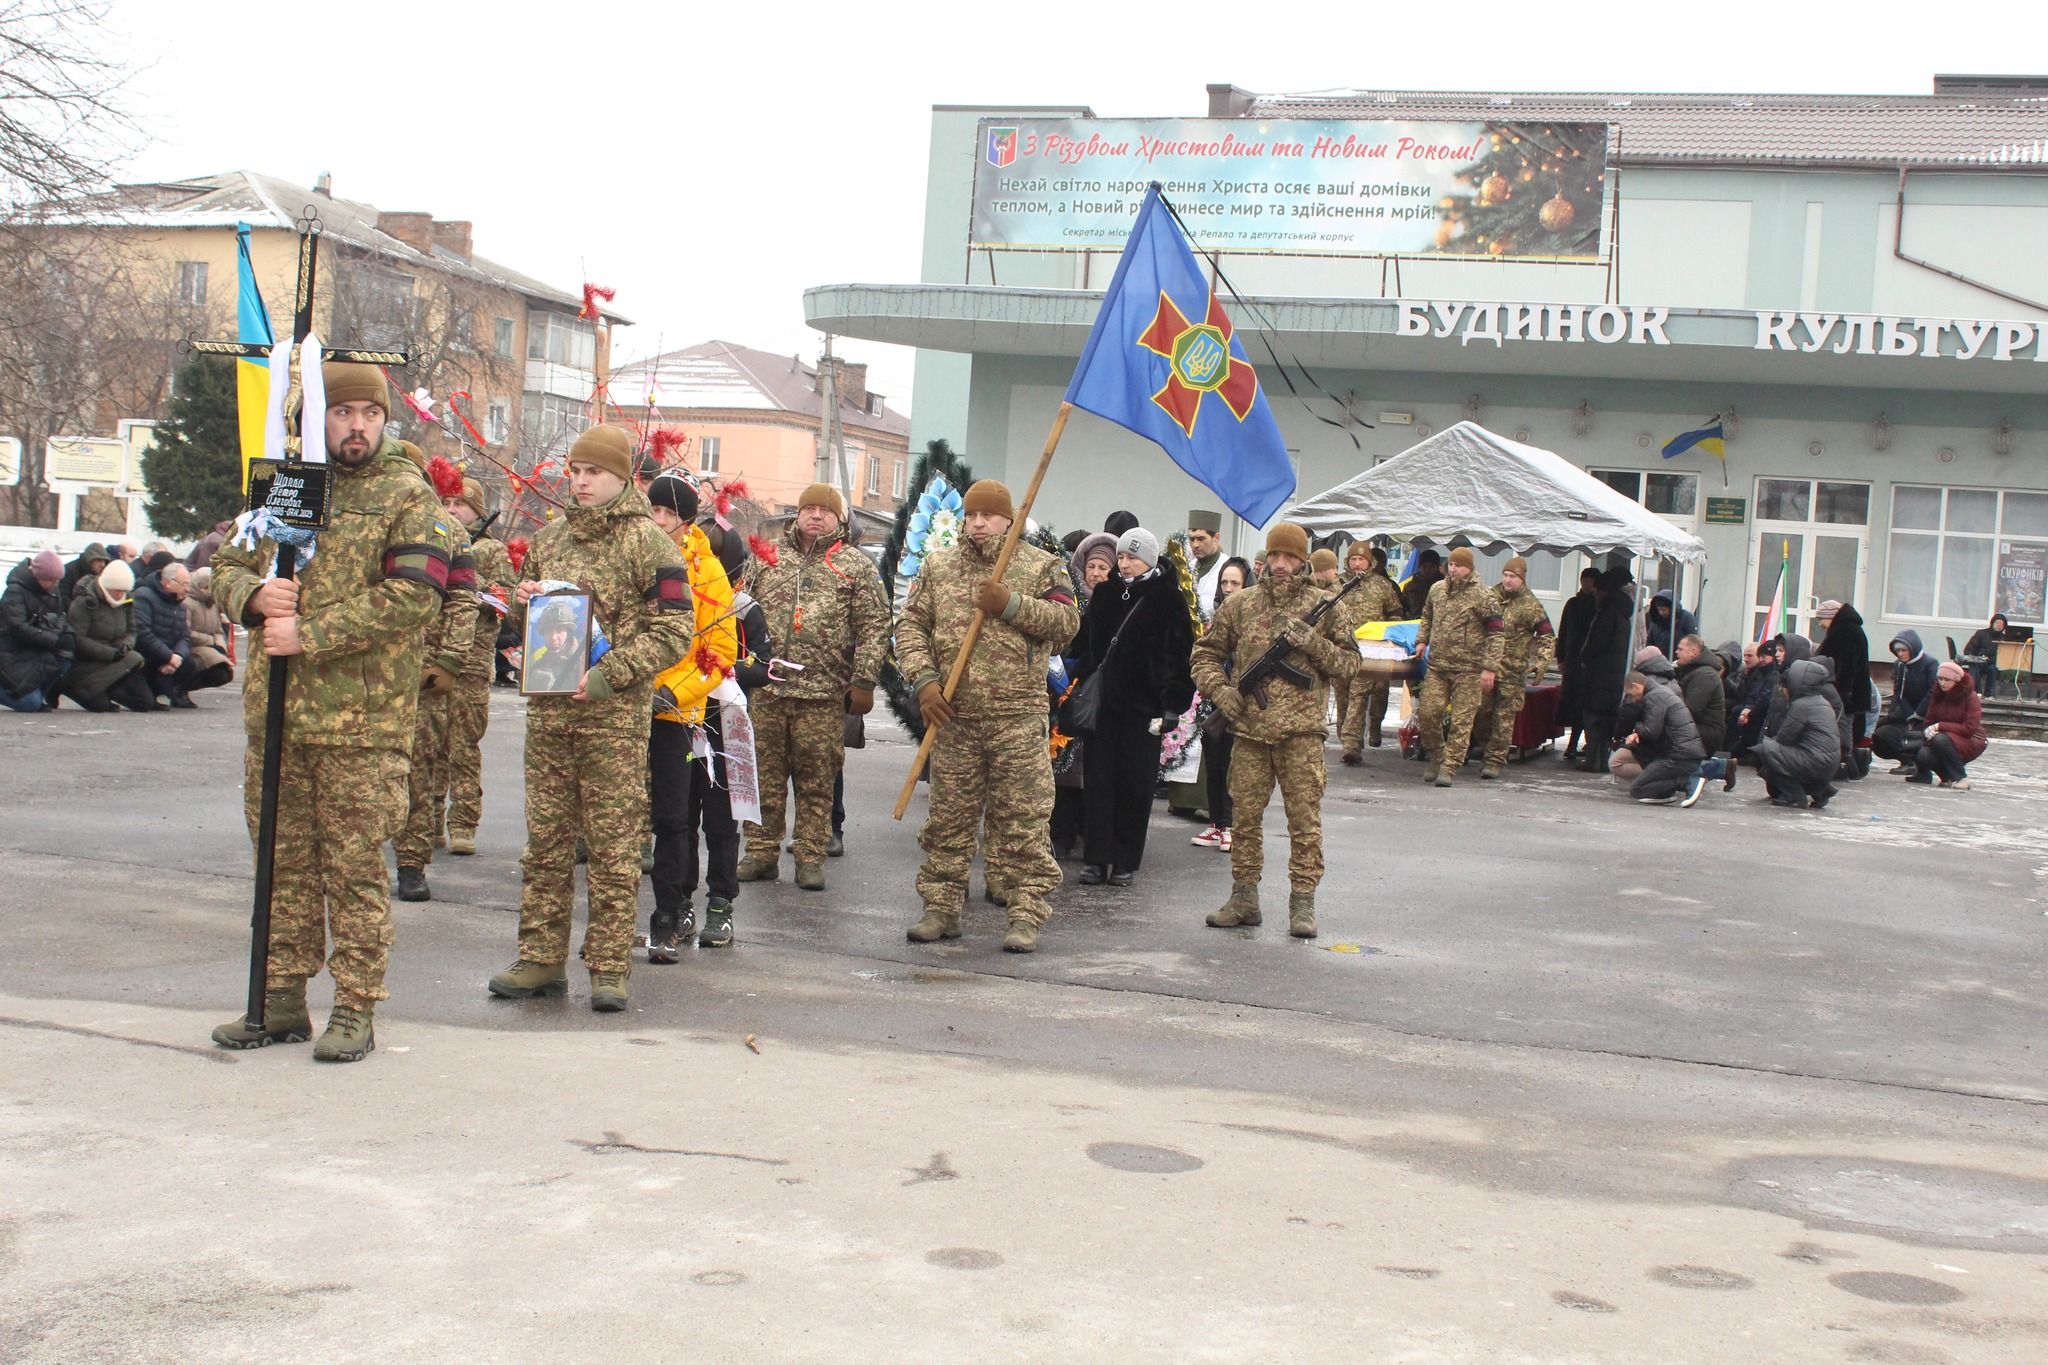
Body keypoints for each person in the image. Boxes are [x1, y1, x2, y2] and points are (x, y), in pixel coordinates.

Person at [209, 362, 453, 1061]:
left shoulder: (408, 496)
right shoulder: (284, 484)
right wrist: (253, 598)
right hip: (279, 718)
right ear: (317, 417)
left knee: (353, 870)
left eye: (369, 414)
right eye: (342, 412)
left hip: (361, 724)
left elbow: (416, 595)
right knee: (281, 865)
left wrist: (309, 633)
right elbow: (228, 563)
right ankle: (281, 997)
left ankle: (355, 1006)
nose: (356, 426)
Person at [488, 423, 693, 1015]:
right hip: (550, 716)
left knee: (613, 847)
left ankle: (608, 965)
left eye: (594, 472)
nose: (581, 481)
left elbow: (674, 629)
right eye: (575, 471)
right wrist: (524, 607)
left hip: (613, 720)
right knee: (546, 844)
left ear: (622, 477)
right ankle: (540, 958)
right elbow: (533, 628)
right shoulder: (549, 539)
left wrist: (610, 674)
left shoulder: (651, 544)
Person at [898, 479, 1079, 952]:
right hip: (955, 717)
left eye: (988, 516)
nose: (978, 523)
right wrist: (925, 681)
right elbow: (911, 625)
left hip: (1017, 718)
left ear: (1009, 519)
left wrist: (1010, 604)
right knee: (948, 821)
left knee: (1023, 821)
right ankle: (941, 907)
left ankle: (1025, 914)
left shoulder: (1041, 566)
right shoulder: (939, 566)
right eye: (971, 515)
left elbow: (1066, 625)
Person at [1192, 523, 1361, 939]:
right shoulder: (1242, 604)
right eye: (1275, 556)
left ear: (1303, 560)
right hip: (1250, 732)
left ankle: (1302, 902)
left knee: (1304, 822)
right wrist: (1222, 691)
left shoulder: (1326, 606)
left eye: (1290, 557)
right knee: (1244, 820)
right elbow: (1204, 654)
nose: (1281, 564)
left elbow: (1351, 665)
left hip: (1302, 735)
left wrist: (1314, 645)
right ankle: (1244, 898)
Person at [739, 483, 889, 892]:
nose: (816, 516)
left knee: (817, 780)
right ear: (798, 514)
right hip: (767, 690)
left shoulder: (855, 565)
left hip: (822, 694)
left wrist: (864, 680)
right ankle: (761, 852)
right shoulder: (767, 557)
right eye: (810, 509)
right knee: (764, 777)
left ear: (839, 519)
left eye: (826, 511)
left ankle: (809, 856)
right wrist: (740, 667)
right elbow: (739, 610)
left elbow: (875, 626)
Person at [643, 471, 739, 960]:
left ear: (687, 520)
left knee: (673, 818)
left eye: (669, 513)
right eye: (653, 510)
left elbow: (719, 650)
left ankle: (670, 913)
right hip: (620, 699)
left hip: (675, 712)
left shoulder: (707, 572)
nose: (659, 521)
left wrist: (672, 693)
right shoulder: (633, 552)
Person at [1070, 527, 1194, 888]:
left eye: (1133, 558)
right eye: (1122, 557)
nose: (1125, 564)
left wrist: (1172, 704)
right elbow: (1085, 643)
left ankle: (1124, 861)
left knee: (1135, 786)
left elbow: (1179, 655)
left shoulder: (1167, 598)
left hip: (1144, 710)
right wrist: (1081, 674)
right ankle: (1096, 859)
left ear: (1150, 561)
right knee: (1099, 783)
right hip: (1105, 706)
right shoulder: (1105, 593)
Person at [392, 449, 476, 903]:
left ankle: (411, 862)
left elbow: (463, 598)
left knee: (418, 771)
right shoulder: (363, 517)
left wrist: (449, 660)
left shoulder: (446, 528)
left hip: (421, 671)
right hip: (362, 668)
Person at [442, 478, 516, 856]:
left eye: (460, 504)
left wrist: (469, 578)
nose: (452, 510)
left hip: (471, 662)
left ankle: (463, 822)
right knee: (427, 747)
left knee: (463, 747)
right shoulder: (434, 539)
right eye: (447, 503)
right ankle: (425, 820)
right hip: (431, 656)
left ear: (477, 510)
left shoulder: (491, 550)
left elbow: (507, 600)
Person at [1052, 532, 1118, 860]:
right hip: (1067, 692)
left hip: (1099, 697)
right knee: (1064, 768)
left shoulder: (1117, 602)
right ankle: (1062, 834)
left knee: (1093, 769)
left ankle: (1088, 832)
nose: (1096, 573)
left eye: (1103, 567)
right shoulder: (1069, 598)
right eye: (1091, 566)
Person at [1414, 546, 1504, 787]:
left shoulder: (1483, 595)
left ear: (1469, 568)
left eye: (1458, 566)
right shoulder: (1437, 589)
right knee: (1428, 713)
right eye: (1451, 565)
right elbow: (1427, 616)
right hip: (1438, 666)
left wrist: (1490, 667)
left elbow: (1496, 633)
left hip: (1469, 669)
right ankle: (1437, 756)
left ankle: (1450, 766)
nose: (1453, 569)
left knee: (1461, 721)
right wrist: (1421, 641)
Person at [1477, 555, 1556, 779]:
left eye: (1512, 576)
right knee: (1480, 712)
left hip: (1513, 671)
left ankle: (1495, 760)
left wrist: (1541, 663)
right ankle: (1486, 748)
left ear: (1522, 578)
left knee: (1503, 719)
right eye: (1505, 575)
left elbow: (1547, 636)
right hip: (1488, 667)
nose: (1507, 580)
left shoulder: (1531, 605)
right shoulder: (1490, 597)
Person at [1193, 556, 1250, 851]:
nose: (1228, 588)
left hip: (1242, 704)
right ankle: (1217, 824)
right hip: (1214, 699)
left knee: (1232, 767)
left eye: (1235, 583)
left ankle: (1230, 825)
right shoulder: (1215, 617)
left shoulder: (1252, 619)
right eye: (1224, 582)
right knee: (1214, 766)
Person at [1336, 544, 1405, 760]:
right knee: (1343, 698)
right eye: (1353, 559)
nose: (1357, 564)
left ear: (1369, 562)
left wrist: (1388, 638)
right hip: (1341, 650)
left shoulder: (1382, 585)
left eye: (1361, 559)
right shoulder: (1337, 584)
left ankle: (1351, 744)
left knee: (1358, 696)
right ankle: (1346, 737)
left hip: (1370, 651)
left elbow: (1395, 614)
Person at [133, 563, 230, 708]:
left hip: (170, 655)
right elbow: (143, 634)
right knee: (143, 703)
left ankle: (173, 691)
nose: (187, 589)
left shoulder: (179, 603)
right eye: (183, 584)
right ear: (167, 583)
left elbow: (184, 636)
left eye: (188, 584)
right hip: (149, 657)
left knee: (194, 665)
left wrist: (178, 656)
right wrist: (168, 657)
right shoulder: (144, 596)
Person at [60, 559, 150, 712]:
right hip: (88, 661)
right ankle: (71, 687)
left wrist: (126, 643)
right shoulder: (85, 601)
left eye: (123, 591)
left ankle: (105, 690)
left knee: (144, 702)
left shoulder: (127, 600)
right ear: (106, 586)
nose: (120, 595)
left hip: (116, 657)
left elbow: (132, 629)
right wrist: (110, 653)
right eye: (116, 591)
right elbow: (77, 639)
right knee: (100, 706)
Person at [1752, 658, 1842, 809]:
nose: (1782, 691)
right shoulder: (1821, 701)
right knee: (1775, 754)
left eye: (1783, 687)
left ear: (1794, 685)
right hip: (1828, 761)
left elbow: (1784, 738)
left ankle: (1795, 797)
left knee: (1765, 750)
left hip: (1816, 761)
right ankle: (1821, 790)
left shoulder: (1801, 705)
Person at [1573, 567, 1636, 773]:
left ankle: (1593, 761)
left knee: (1593, 718)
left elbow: (1596, 643)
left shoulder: (1607, 613)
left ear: (1605, 591)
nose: (1595, 595)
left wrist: (1584, 657)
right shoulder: (1623, 612)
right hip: (1614, 675)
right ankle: (1601, 760)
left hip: (1600, 675)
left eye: (1598, 591)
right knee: (1606, 720)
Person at [1615, 668, 1708, 805]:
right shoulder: (1661, 692)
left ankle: (1687, 782)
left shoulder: (1653, 697)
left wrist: (1636, 726)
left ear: (1635, 686)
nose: (1633, 699)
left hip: (1678, 755)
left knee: (1638, 788)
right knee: (1645, 782)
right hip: (1685, 751)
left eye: (1631, 694)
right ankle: (1666, 793)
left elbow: (1652, 732)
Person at [0, 549, 75, 711]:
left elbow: (60, 616)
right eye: (52, 581)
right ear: (38, 577)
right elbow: (18, 627)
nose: (55, 585)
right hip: (11, 651)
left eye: (57, 581)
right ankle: (27, 697)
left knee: (66, 656)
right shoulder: (15, 591)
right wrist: (53, 639)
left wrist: (68, 634)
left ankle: (37, 695)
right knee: (29, 704)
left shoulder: (52, 590)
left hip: (36, 646)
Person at [1905, 661, 1987, 789]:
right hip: (1944, 737)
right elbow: (1928, 722)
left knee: (1940, 739)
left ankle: (1961, 778)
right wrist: (1928, 731)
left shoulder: (1971, 697)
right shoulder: (1937, 695)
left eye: (1947, 680)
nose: (1942, 683)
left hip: (1972, 739)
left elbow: (1969, 728)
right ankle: (1946, 777)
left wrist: (1940, 726)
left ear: (1957, 680)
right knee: (1923, 753)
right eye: (1940, 679)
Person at [1814, 601, 1873, 778]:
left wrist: (1844, 692)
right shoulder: (1849, 629)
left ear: (1832, 616)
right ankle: (1849, 766)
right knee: (1845, 728)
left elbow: (1848, 665)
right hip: (1850, 690)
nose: (1820, 624)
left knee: (1843, 728)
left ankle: (1845, 767)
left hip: (1846, 691)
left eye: (1821, 618)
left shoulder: (1844, 631)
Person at [1872, 630, 1941, 772]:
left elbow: (1932, 691)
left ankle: (1917, 764)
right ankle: (1906, 760)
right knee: (1879, 735)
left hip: (1926, 715)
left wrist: (1918, 714)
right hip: (1905, 712)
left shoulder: (1930, 663)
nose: (1901, 654)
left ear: (1913, 648)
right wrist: (1909, 713)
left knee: (1914, 737)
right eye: (1898, 651)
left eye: (1904, 650)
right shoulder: (1899, 665)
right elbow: (1898, 692)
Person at [1554, 567, 1600, 761]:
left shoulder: (1599, 605)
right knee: (1572, 704)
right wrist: (1560, 658)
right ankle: (1573, 744)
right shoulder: (1573, 603)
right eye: (1584, 580)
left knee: (1587, 705)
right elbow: (1563, 631)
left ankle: (1586, 744)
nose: (1587, 584)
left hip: (1591, 664)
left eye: (1590, 580)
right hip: (1572, 661)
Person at [183, 567, 232, 680]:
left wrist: (220, 646)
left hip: (209, 647)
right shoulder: (187, 603)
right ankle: (183, 688)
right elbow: (186, 632)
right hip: (192, 647)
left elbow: (218, 630)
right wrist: (211, 641)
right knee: (217, 671)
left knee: (223, 673)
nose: (210, 591)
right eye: (206, 588)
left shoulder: (212, 604)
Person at [1643, 588, 1699, 658]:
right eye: (1659, 609)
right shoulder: (1656, 621)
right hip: (1660, 659)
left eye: (1664, 610)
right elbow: (1650, 642)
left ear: (1672, 608)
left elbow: (1694, 640)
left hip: (1682, 659)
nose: (1661, 612)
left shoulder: (1686, 618)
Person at [1188, 510, 1224, 614]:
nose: (1195, 545)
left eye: (1201, 539)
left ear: (1216, 538)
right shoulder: (1187, 568)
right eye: (1192, 539)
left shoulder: (1227, 567)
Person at [1962, 614, 2006, 696]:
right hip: (1977, 661)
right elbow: (1968, 649)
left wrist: (1989, 660)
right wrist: (1975, 657)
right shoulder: (1981, 633)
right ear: (1992, 623)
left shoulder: (2004, 639)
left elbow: (2002, 656)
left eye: (2002, 624)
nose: (1999, 625)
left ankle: (1988, 693)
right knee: (1975, 667)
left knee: (1993, 669)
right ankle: (1975, 692)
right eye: (1997, 622)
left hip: (1990, 663)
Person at [58, 543, 109, 612]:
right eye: (99, 560)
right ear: (90, 559)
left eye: (104, 561)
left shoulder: (103, 574)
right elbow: (63, 595)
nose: (103, 565)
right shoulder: (69, 571)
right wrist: (77, 611)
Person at [1398, 548, 1442, 619]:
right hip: (1413, 622)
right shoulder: (1410, 586)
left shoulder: (1444, 586)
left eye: (1431, 566)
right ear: (1420, 567)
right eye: (1424, 566)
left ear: (1437, 567)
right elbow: (1402, 607)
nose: (1428, 570)